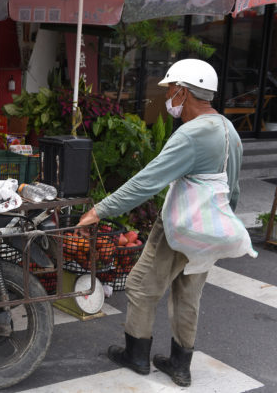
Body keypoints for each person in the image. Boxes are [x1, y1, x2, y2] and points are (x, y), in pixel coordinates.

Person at [77, 59, 243, 388]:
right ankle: (180, 366)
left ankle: (136, 355)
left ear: (184, 91)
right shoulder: (229, 130)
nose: (167, 97)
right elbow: (234, 189)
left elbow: (147, 181)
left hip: (180, 226)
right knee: (188, 294)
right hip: (212, 229)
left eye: (170, 90)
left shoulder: (191, 134)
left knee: (141, 286)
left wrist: (99, 210)